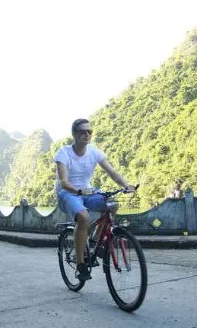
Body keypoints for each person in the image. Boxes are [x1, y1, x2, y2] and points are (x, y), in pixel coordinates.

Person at [55, 118, 135, 281]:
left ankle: (96, 241)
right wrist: (78, 190)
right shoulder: (63, 153)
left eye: (89, 131)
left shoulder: (94, 152)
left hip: (88, 191)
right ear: (74, 134)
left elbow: (112, 172)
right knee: (83, 217)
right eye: (83, 131)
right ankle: (81, 265)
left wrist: (126, 185)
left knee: (112, 205)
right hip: (68, 193)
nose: (87, 134)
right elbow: (63, 182)